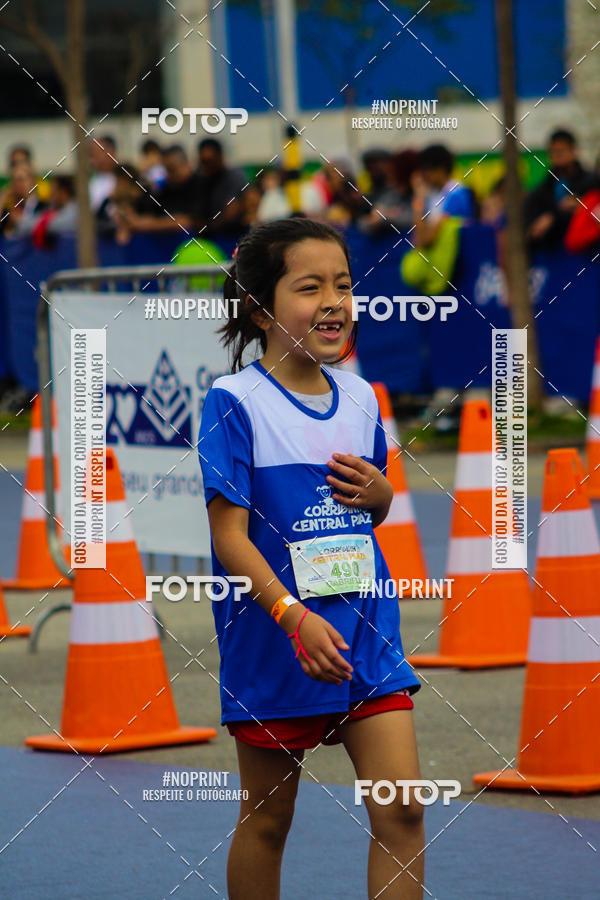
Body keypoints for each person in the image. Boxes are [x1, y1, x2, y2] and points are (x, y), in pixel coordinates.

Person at [198, 217, 424, 899]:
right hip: (279, 637)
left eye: (344, 284)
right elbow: (228, 536)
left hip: (364, 632)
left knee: (404, 808)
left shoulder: (360, 396)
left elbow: (370, 511)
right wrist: (293, 617)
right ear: (263, 310)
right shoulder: (233, 401)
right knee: (270, 821)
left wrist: (383, 496)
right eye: (310, 287)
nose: (334, 301)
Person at [525, 128, 596, 249]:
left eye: (562, 151)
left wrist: (553, 217)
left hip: (588, 254)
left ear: (574, 151)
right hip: (552, 254)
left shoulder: (591, 182)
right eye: (554, 151)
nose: (558, 156)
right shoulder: (543, 189)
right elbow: (531, 224)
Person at [121, 145, 204, 235]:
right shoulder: (166, 187)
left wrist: (147, 224)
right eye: (166, 170)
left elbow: (187, 221)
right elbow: (147, 210)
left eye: (172, 169)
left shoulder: (199, 185)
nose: (168, 175)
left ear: (185, 165)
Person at [196, 137, 248, 236]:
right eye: (204, 161)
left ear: (220, 157)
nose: (207, 166)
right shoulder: (199, 180)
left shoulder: (235, 177)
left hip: (232, 236)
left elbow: (231, 213)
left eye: (210, 161)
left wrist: (207, 226)